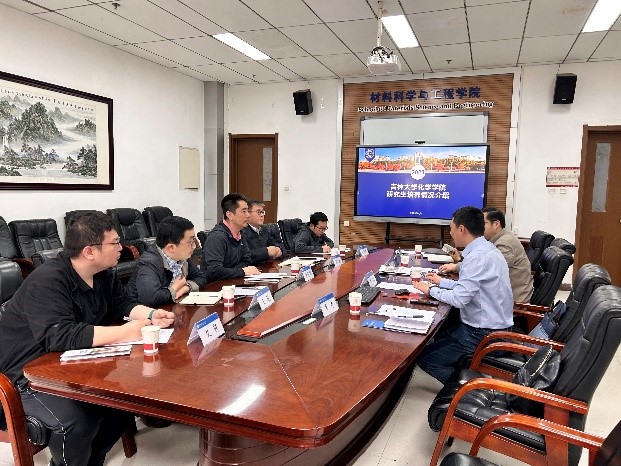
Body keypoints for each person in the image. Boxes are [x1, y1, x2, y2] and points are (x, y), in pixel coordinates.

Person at [0, 211, 175, 466]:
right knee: (77, 420)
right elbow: (60, 334)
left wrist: (151, 314)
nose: (121, 248)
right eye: (115, 243)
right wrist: (127, 331)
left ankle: (93, 460)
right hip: (26, 376)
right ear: (89, 251)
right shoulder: (47, 280)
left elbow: (121, 304)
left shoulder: (103, 273)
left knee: (121, 404)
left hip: (71, 363)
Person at [412, 206, 514, 385]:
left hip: (484, 334)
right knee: (439, 333)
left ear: (461, 229)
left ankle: (474, 389)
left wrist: (430, 290)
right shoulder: (487, 249)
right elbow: (469, 287)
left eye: (451, 228)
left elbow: (459, 299)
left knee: (426, 358)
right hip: (494, 328)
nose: (450, 233)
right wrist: (441, 282)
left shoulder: (476, 258)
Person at [439, 207, 533, 303]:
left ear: (496, 224)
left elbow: (483, 268)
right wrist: (461, 256)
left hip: (513, 300)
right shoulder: (496, 239)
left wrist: (456, 266)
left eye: (483, 223)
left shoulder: (505, 243)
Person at [128, 215, 207, 307]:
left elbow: (201, 277)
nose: (194, 246)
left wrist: (185, 288)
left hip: (171, 307)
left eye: (193, 240)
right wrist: (174, 288)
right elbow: (151, 298)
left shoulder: (181, 257)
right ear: (171, 247)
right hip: (145, 312)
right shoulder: (149, 263)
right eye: (190, 242)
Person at [201, 193, 260, 281]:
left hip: (233, 280)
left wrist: (234, 271)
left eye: (248, 211)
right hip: (216, 285)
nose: (248, 215)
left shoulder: (241, 233)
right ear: (230, 215)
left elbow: (247, 260)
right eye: (244, 211)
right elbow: (214, 271)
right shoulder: (217, 238)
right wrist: (241, 271)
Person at [241, 200, 285, 264]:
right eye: (258, 212)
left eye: (262, 212)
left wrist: (278, 249)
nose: (262, 215)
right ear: (248, 213)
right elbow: (245, 255)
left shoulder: (264, 229)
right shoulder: (243, 231)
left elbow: (274, 245)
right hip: (251, 267)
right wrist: (266, 251)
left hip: (266, 266)